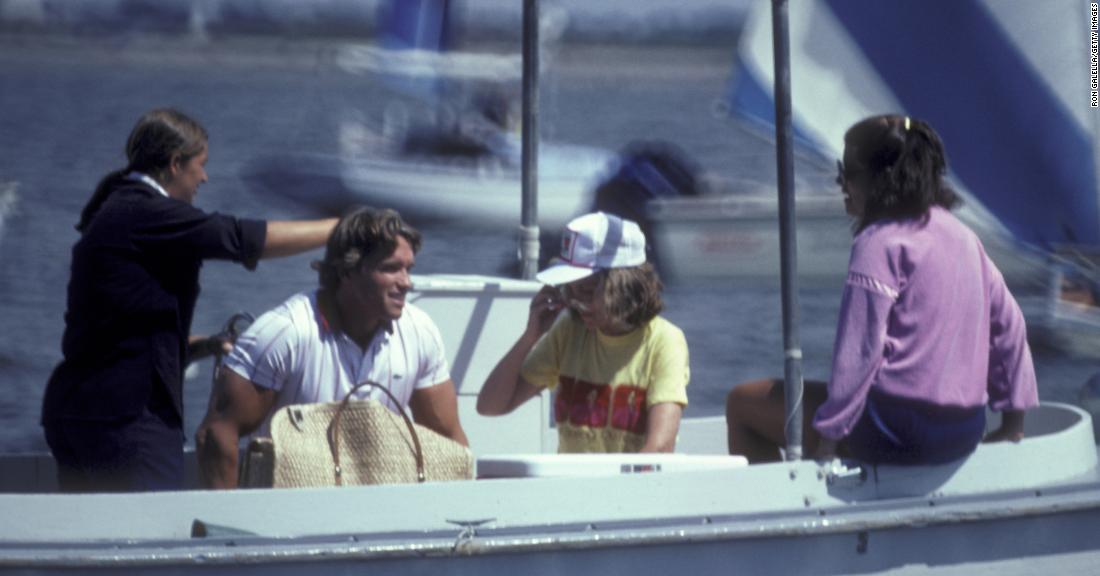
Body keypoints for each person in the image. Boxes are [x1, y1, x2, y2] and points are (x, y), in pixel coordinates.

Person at [41, 108, 340, 492]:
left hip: (82, 411)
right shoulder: (146, 213)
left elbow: (121, 333)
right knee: (147, 536)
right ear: (174, 163)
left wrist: (205, 345)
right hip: (125, 420)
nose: (205, 177)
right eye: (201, 165)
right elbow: (239, 238)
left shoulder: (116, 207)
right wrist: (338, 228)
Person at [725, 114, 1038, 465]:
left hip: (897, 430)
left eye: (849, 174)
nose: (841, 184)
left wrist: (829, 438)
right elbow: (1010, 326)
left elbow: (860, 352)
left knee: (741, 402)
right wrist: (1013, 422)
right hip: (963, 430)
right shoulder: (965, 237)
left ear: (882, 180)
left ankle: (783, 511)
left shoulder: (877, 243)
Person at [196, 207, 468, 489]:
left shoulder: (419, 331)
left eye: (408, 269)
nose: (406, 282)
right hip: (289, 506)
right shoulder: (285, 332)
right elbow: (215, 434)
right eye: (390, 268)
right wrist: (233, 527)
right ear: (347, 271)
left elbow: (448, 440)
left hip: (379, 503)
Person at [477, 211, 689, 453]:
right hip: (572, 487)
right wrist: (531, 336)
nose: (576, 303)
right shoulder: (569, 331)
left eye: (587, 292)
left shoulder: (664, 341)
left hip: (629, 487)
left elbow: (660, 447)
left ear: (624, 286)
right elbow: (490, 406)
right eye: (570, 291)